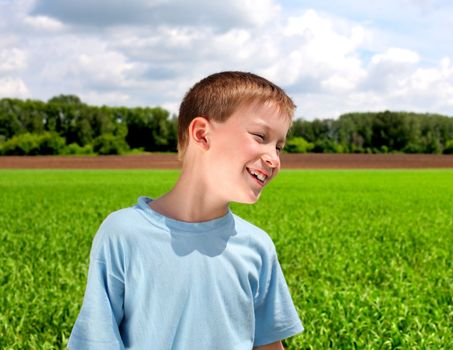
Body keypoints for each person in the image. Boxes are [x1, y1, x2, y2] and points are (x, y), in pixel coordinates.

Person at [68, 71, 304, 349]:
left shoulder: (257, 245)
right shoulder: (124, 233)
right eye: (260, 136)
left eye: (279, 146)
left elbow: (267, 344)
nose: (273, 158)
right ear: (202, 134)